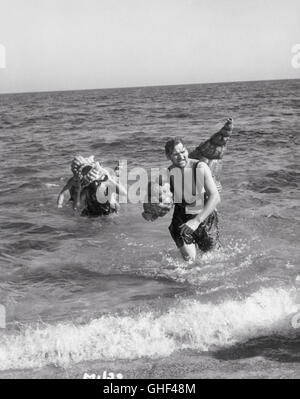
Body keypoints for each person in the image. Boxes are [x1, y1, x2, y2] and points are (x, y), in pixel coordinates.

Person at [165, 137, 221, 262]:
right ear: (168, 156)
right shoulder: (168, 173)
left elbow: (215, 197)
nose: (181, 156)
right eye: (175, 154)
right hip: (181, 220)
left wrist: (196, 221)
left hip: (204, 218)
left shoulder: (199, 167)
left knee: (212, 261)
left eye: (183, 151)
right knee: (190, 263)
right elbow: (164, 200)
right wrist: (153, 211)